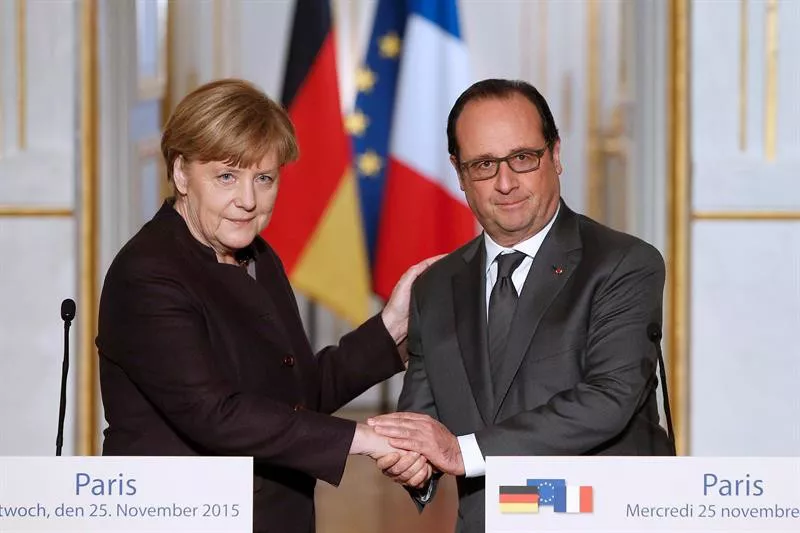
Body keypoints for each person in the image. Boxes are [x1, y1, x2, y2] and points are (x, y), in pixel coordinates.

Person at [96, 79, 434, 533]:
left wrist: (391, 327)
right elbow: (215, 414)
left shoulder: (258, 257)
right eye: (226, 176)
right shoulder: (148, 273)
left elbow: (296, 397)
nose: (249, 201)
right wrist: (363, 439)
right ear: (180, 173)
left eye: (264, 178)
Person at [368, 79, 674, 532]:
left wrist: (462, 452)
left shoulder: (623, 263)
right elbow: (423, 419)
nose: (506, 183)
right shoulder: (435, 286)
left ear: (555, 154)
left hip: (597, 518)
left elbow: (609, 397)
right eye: (485, 164)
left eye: (523, 158)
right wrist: (413, 461)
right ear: (459, 173)